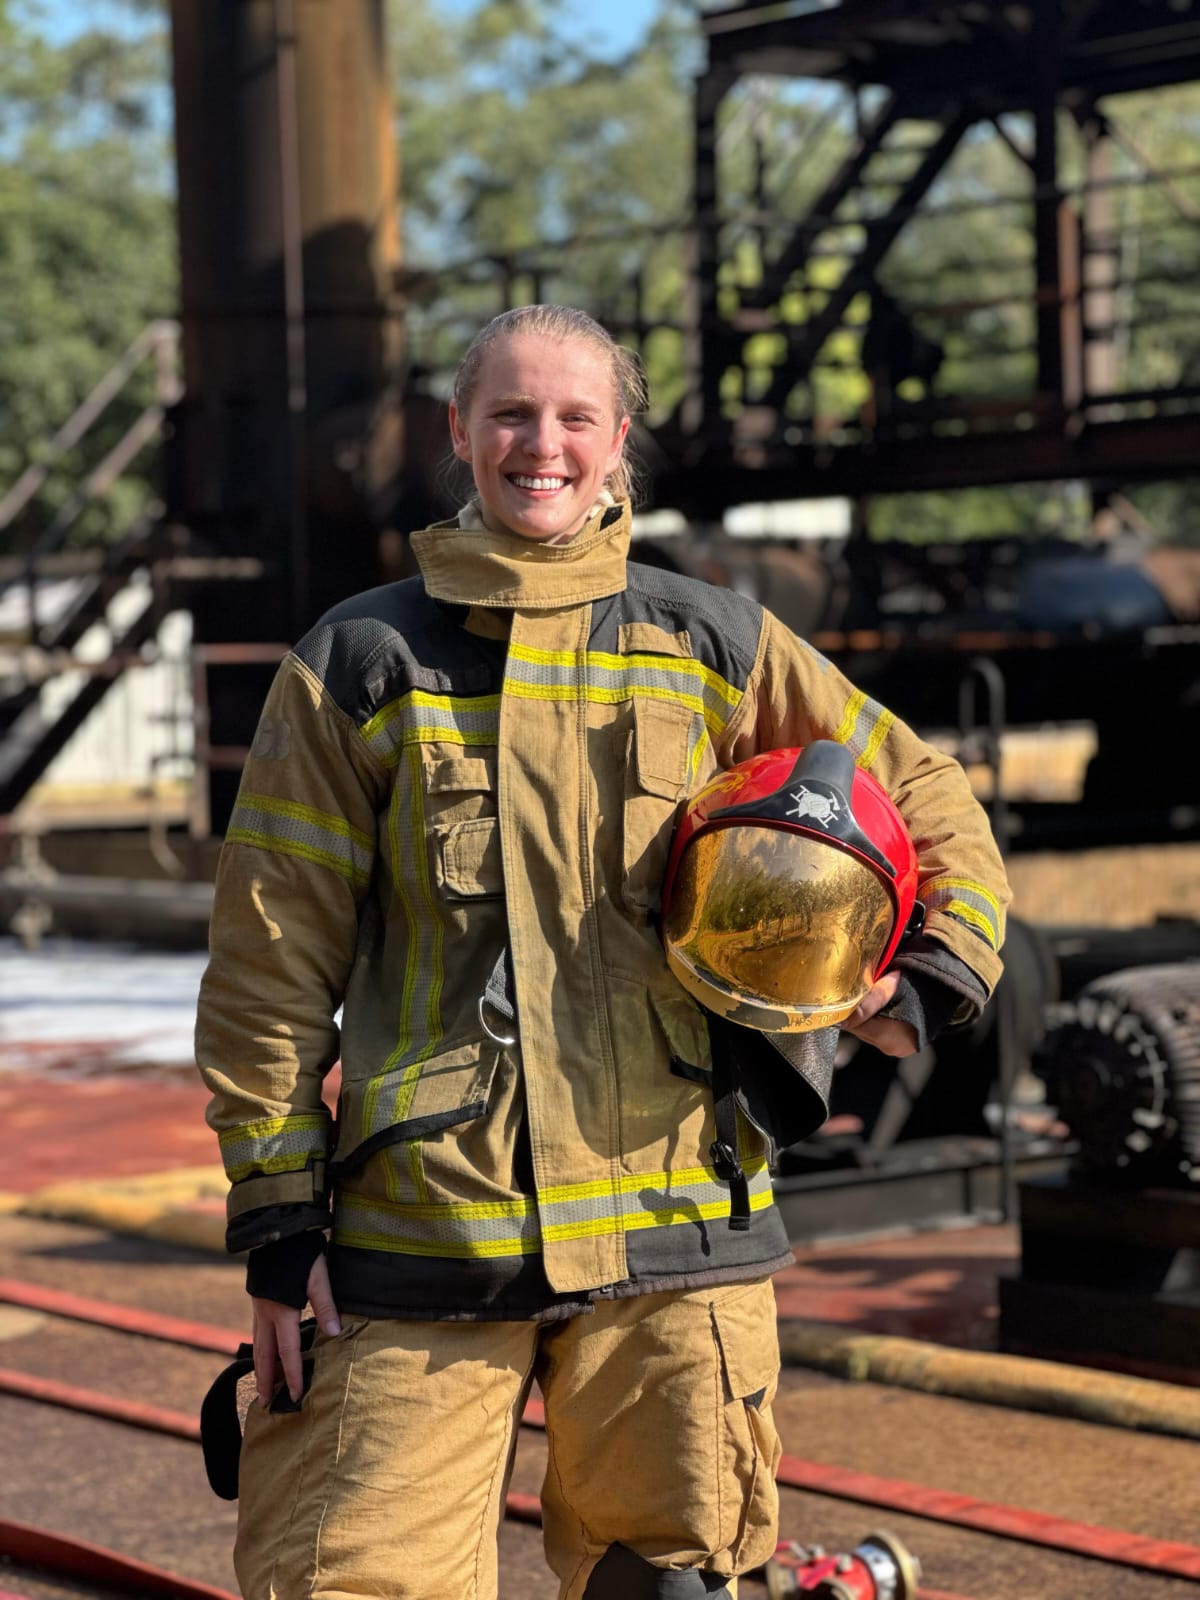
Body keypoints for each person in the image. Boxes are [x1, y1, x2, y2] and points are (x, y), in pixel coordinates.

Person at [196, 304, 1010, 1600]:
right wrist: (279, 1224)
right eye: (511, 414)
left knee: (671, 1582)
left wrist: (924, 979)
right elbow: (269, 963)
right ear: (460, 431)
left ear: (618, 440)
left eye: (575, 416)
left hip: (677, 1234)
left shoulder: (711, 642)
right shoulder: (359, 663)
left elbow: (927, 790)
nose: (543, 444)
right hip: (425, 1238)